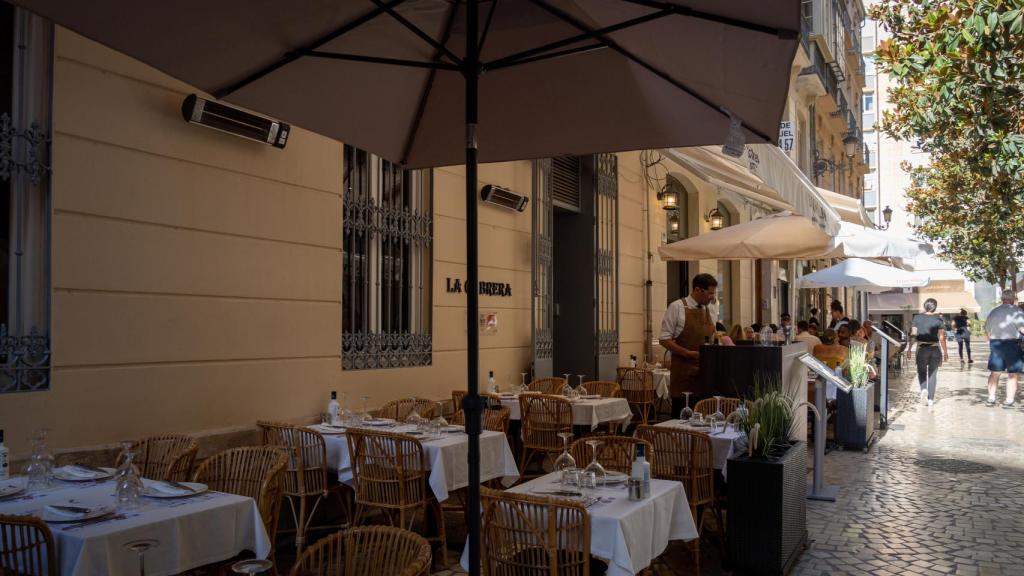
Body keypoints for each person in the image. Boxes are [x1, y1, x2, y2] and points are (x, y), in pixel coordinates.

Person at [659, 273, 719, 418]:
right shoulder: (677, 307)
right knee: (682, 420)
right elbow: (664, 339)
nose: (712, 297)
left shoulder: (710, 309)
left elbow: (713, 337)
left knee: (704, 419)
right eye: (710, 293)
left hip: (705, 376)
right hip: (683, 376)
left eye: (713, 294)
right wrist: (686, 353)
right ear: (697, 290)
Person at [984, 289, 1024, 408]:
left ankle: (991, 398)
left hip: (996, 344)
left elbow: (987, 330)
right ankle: (1009, 401)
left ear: (1002, 299)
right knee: (1012, 374)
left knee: (995, 372)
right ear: (1013, 299)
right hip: (1012, 344)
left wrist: (991, 342)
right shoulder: (1017, 311)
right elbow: (1022, 329)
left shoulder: (994, 311)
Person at [906, 298, 948, 407]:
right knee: (933, 375)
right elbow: (942, 338)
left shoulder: (917, 318)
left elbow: (913, 334)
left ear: (925, 306)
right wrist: (945, 352)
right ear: (935, 307)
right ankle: (931, 400)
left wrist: (909, 349)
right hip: (935, 349)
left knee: (922, 372)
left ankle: (924, 389)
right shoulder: (939, 319)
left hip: (922, 348)